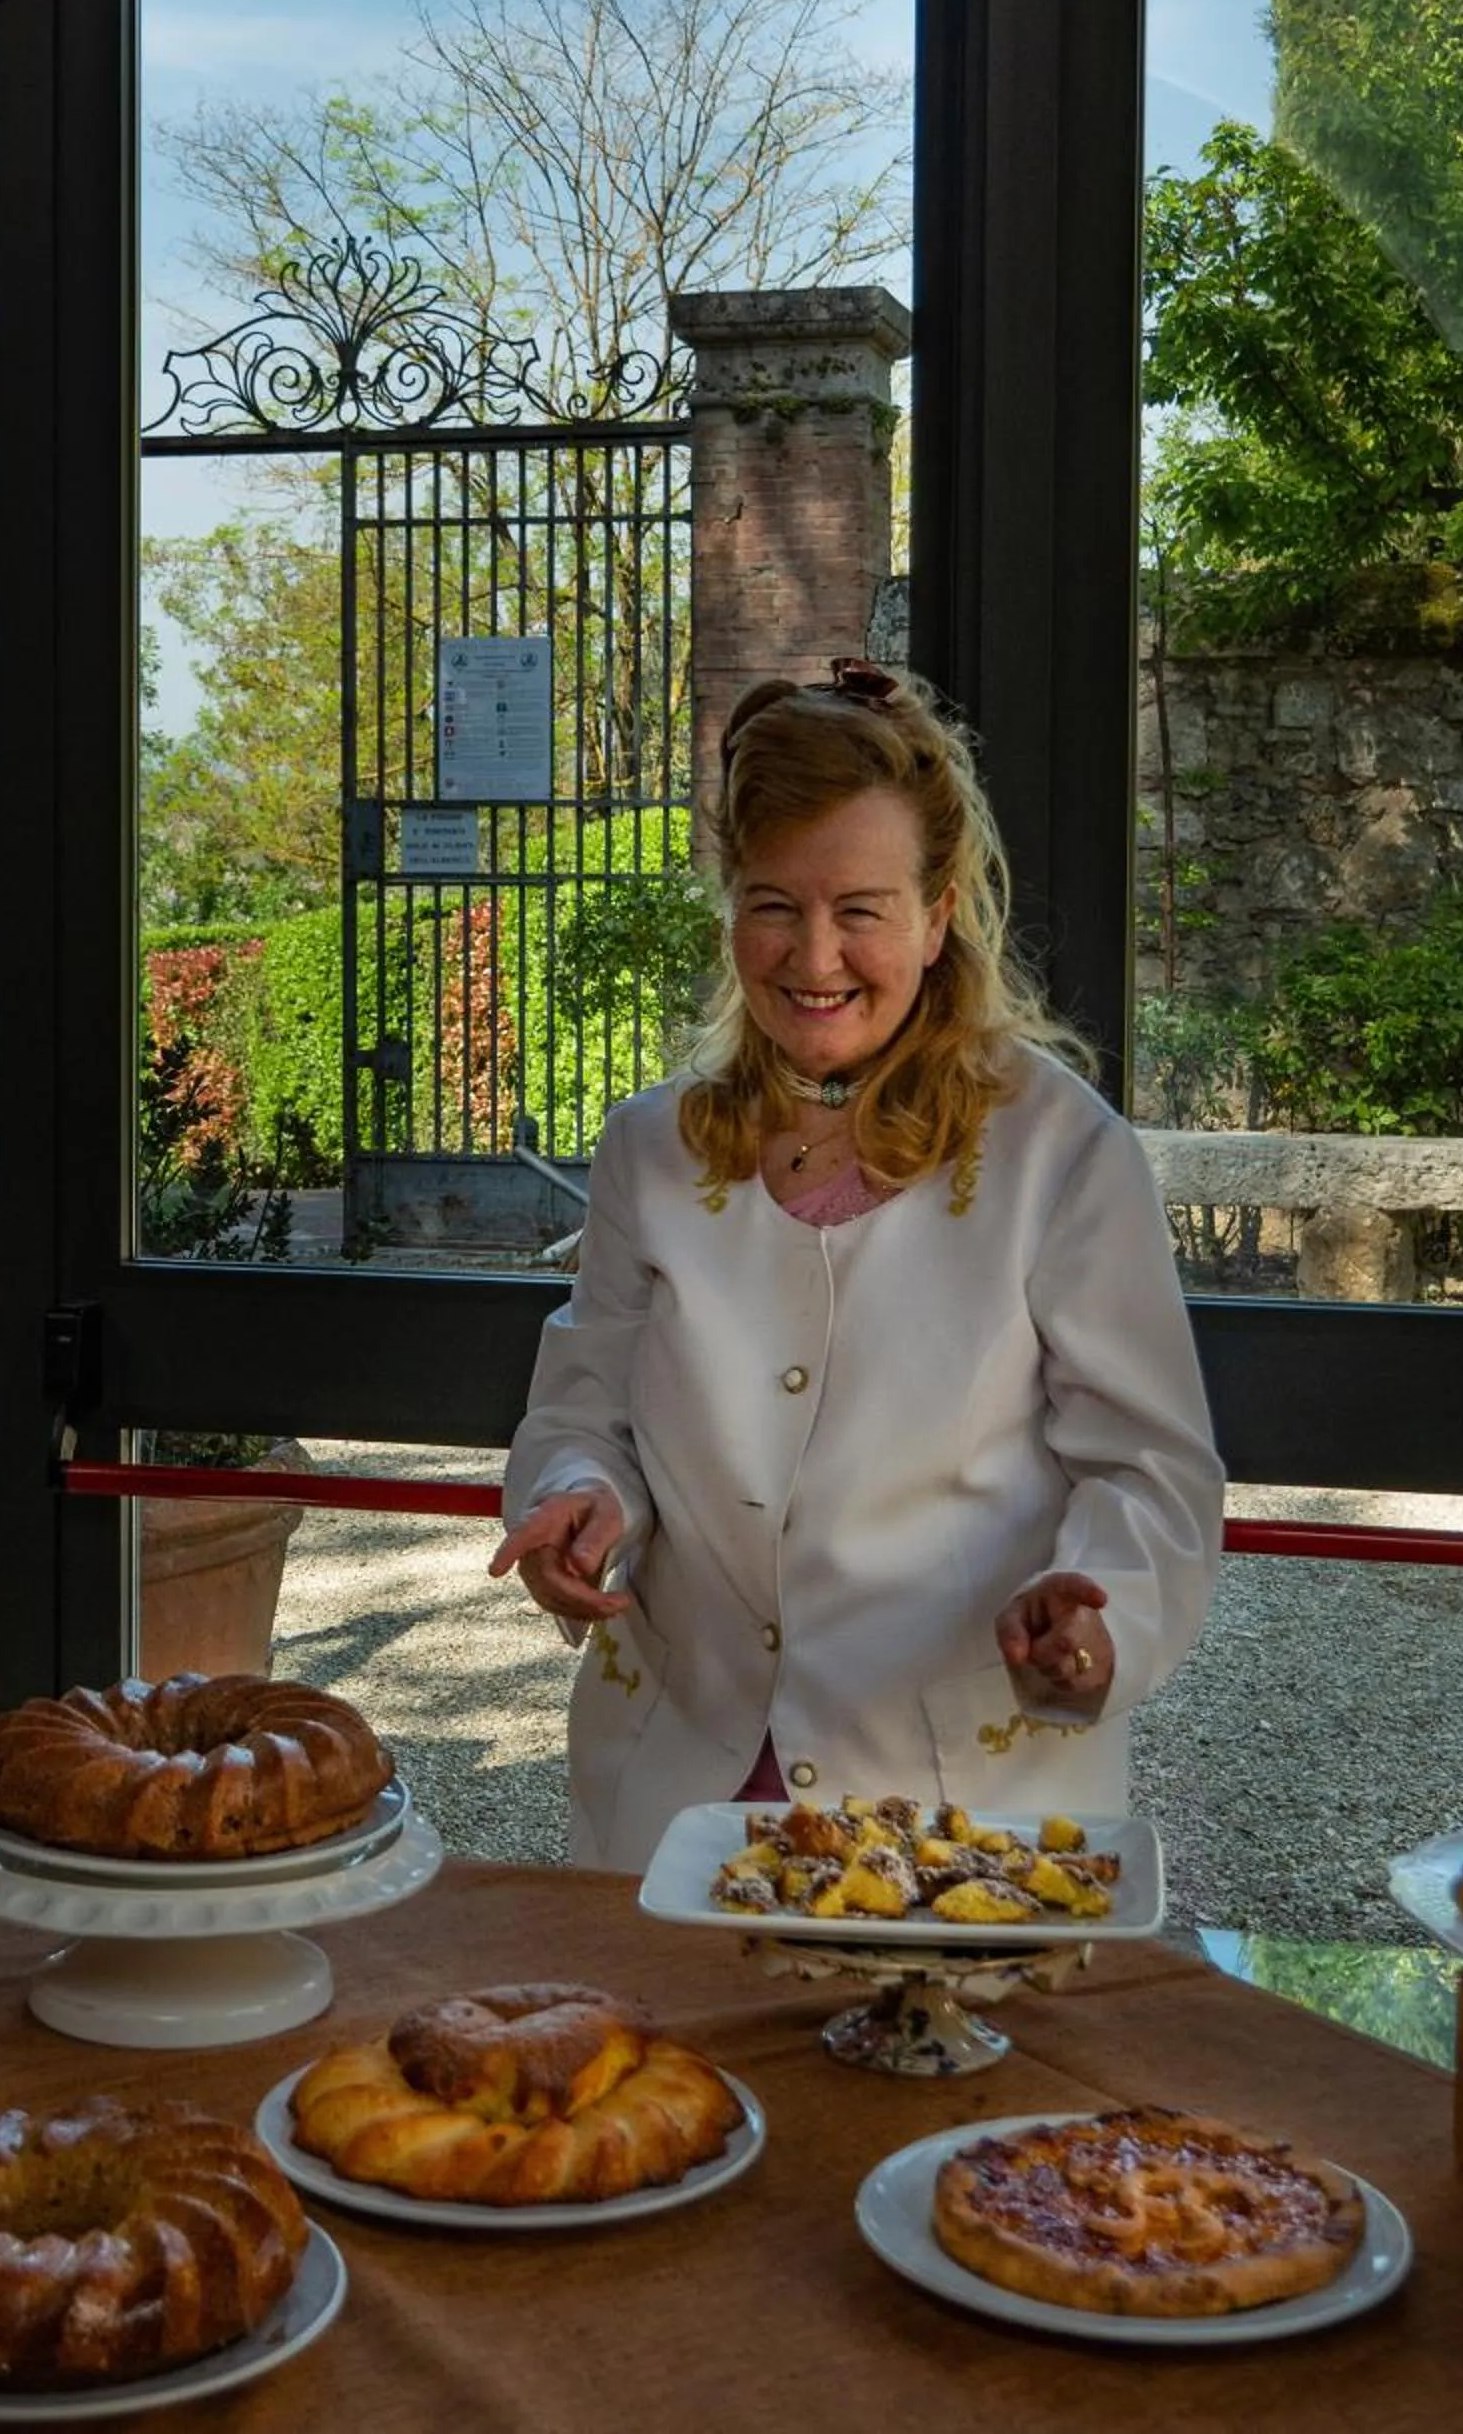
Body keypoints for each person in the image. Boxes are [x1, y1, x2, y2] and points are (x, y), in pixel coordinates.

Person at [489, 661, 1223, 1873]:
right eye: (772, 903)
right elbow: (586, 1406)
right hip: (674, 1794)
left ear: (938, 915)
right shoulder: (648, 1149)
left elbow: (1148, 1470)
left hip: (961, 1808)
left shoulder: (1057, 1150)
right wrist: (579, 1498)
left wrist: (1100, 1612)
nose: (811, 954)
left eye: (860, 910)